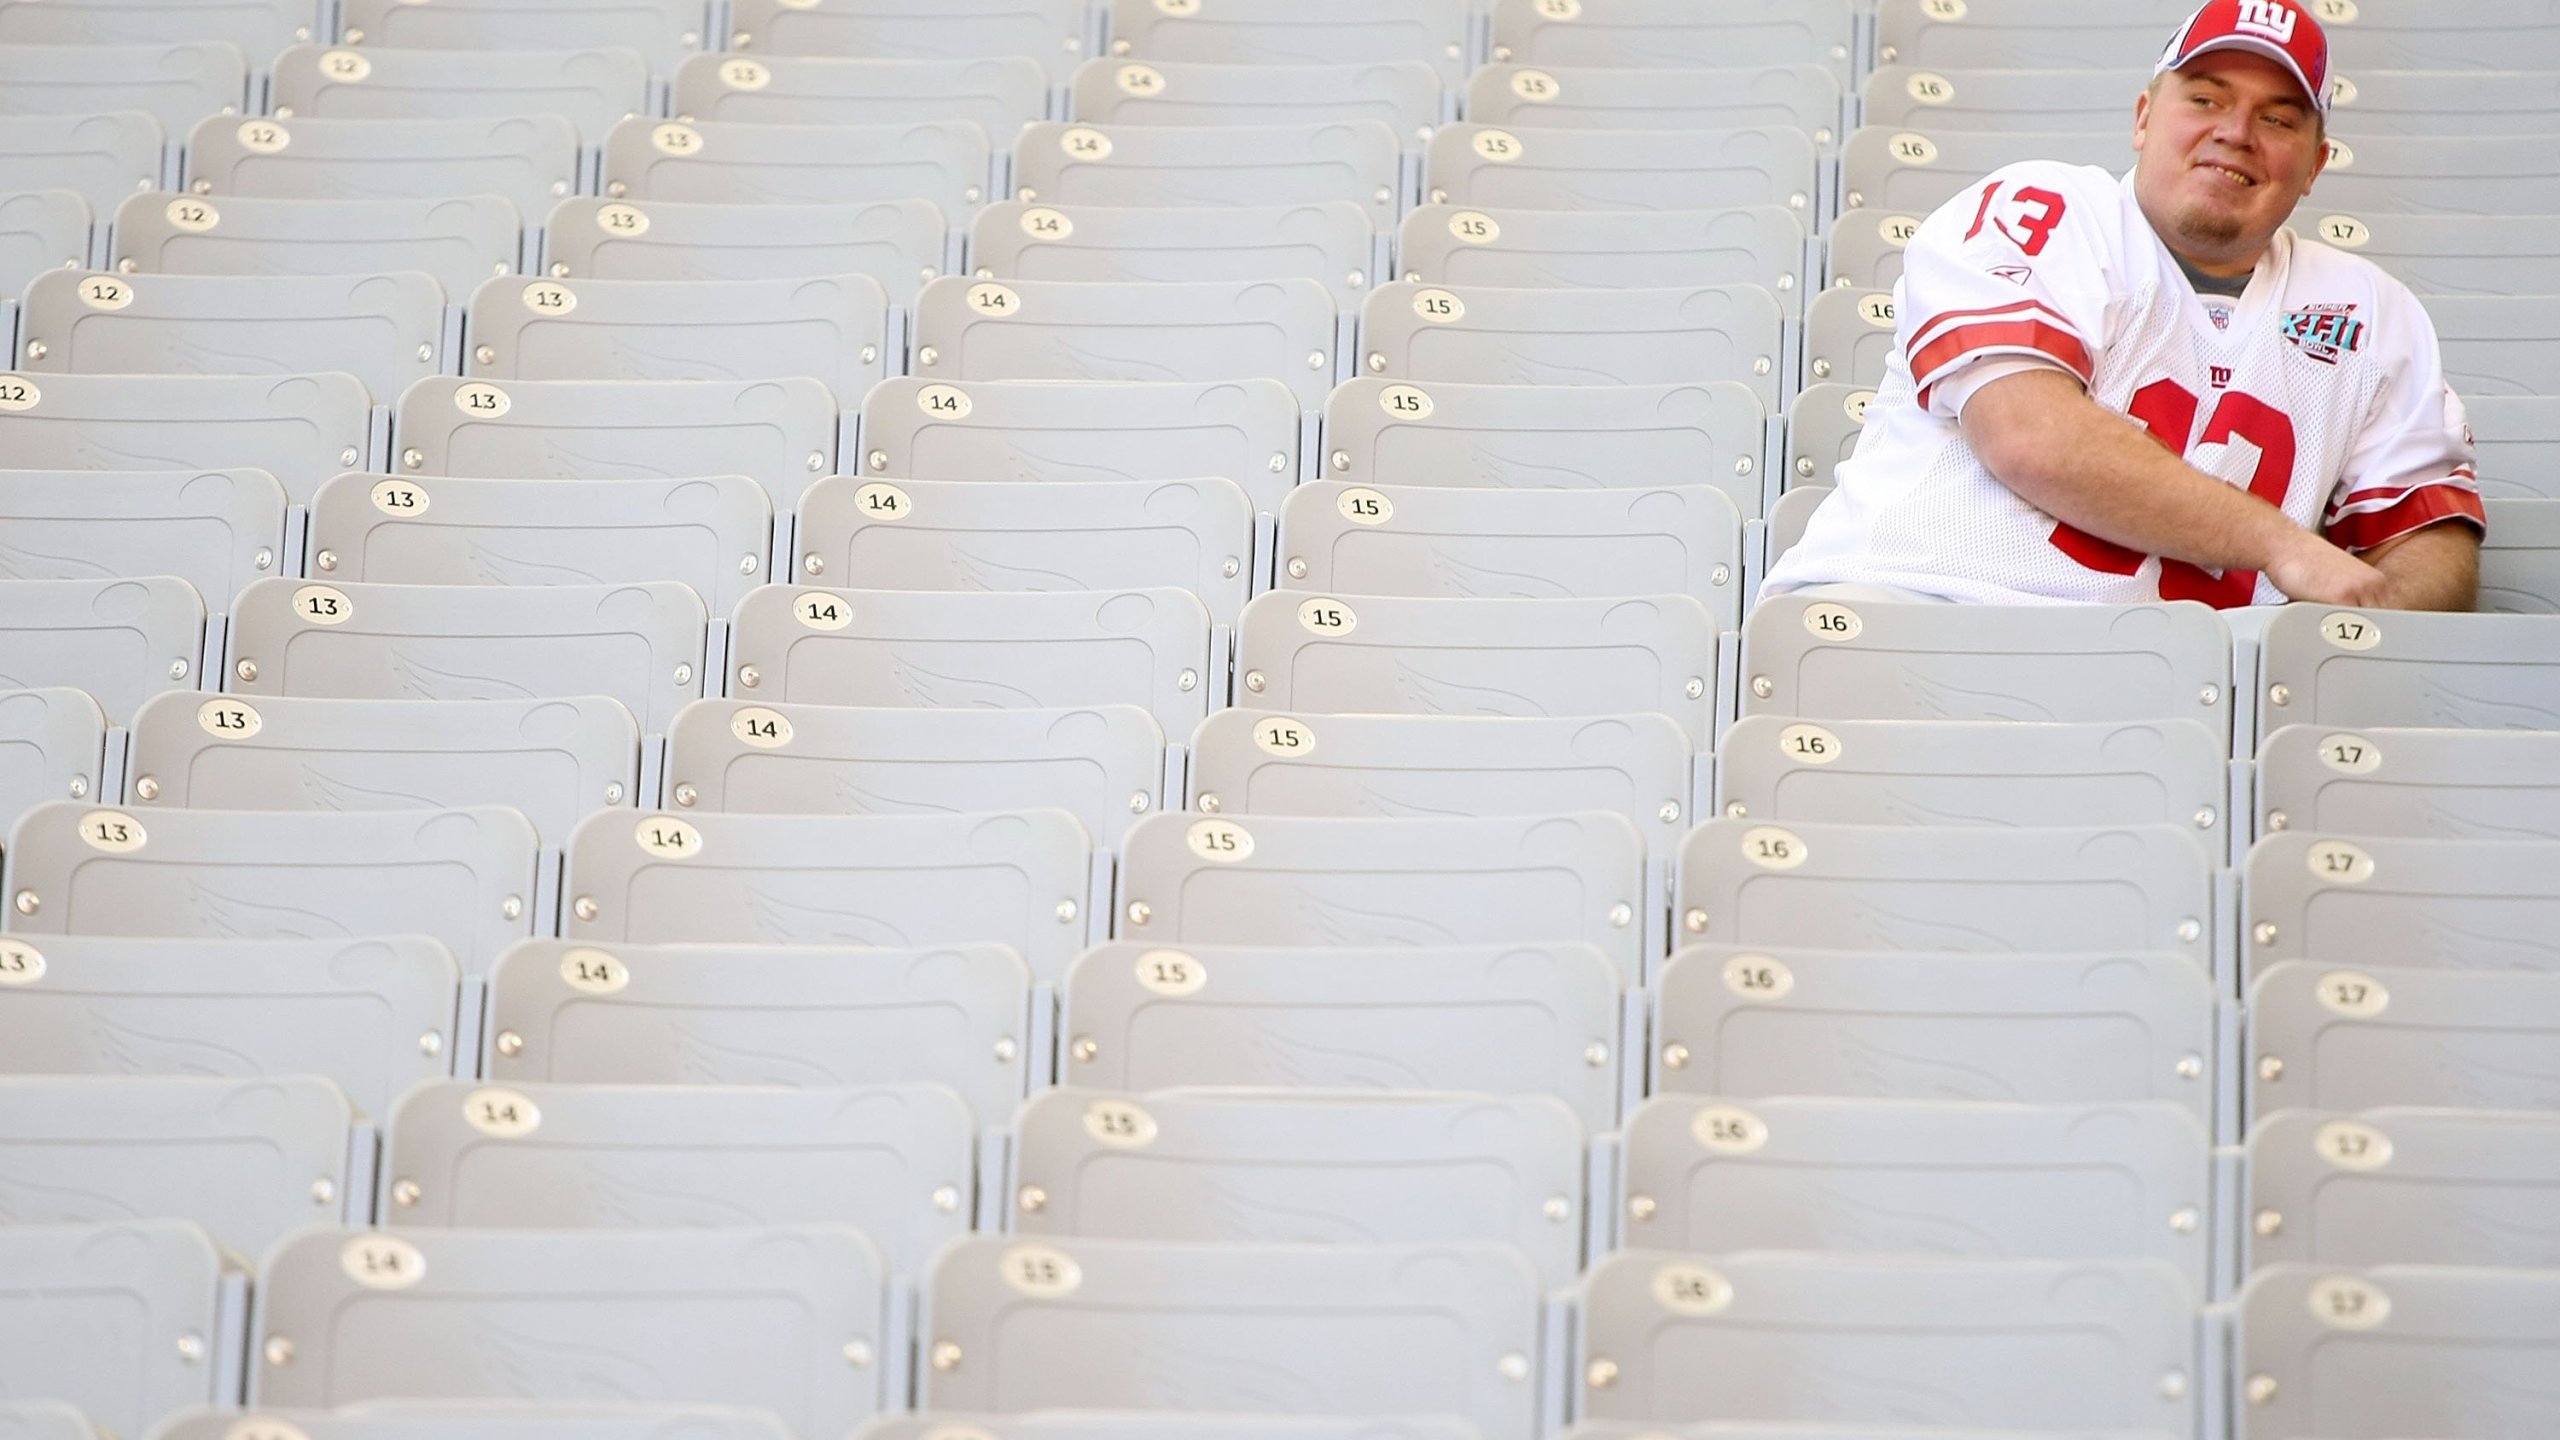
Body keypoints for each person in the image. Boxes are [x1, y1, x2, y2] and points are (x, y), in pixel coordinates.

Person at [1765, 0, 2484, 610]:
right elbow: (2027, 435)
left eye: (2278, 119)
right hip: (1918, 607)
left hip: (2172, 699)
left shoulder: (2372, 311)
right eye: (2205, 98)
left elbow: (2427, 536)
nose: (2235, 132)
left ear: (2314, 166)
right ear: (2143, 119)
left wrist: (2376, 622)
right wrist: (2279, 542)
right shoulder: (2044, 208)